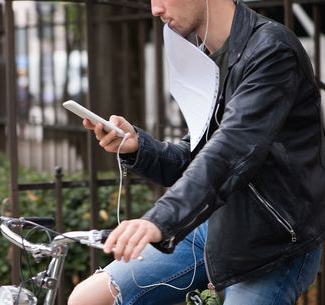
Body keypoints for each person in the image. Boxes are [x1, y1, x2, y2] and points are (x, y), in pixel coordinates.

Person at [67, 0, 325, 304]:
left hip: (272, 240)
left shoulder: (272, 50)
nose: (155, 9)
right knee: (87, 298)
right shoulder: (208, 57)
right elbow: (195, 156)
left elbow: (231, 151)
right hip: (215, 223)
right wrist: (137, 146)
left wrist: (160, 219)